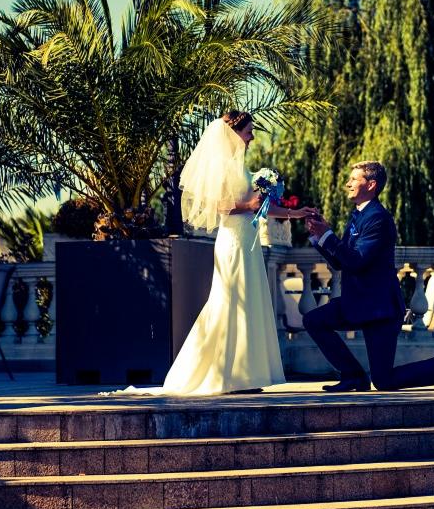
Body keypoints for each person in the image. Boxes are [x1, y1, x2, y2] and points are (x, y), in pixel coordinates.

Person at [109, 112, 310, 396]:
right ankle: (229, 375)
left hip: (248, 242)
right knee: (231, 302)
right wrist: (248, 204)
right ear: (233, 134)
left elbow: (260, 207)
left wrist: (295, 213)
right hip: (233, 241)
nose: (252, 136)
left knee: (248, 301)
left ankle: (245, 374)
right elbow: (221, 205)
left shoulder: (241, 167)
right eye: (248, 131)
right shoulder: (224, 168)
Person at [299, 161, 434, 392]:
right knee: (314, 320)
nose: (348, 183)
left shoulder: (378, 218)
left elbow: (357, 260)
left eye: (354, 179)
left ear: (371, 184)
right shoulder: (359, 215)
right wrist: (319, 237)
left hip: (380, 309)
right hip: (357, 304)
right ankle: (354, 376)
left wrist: (327, 234)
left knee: (384, 380)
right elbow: (340, 262)